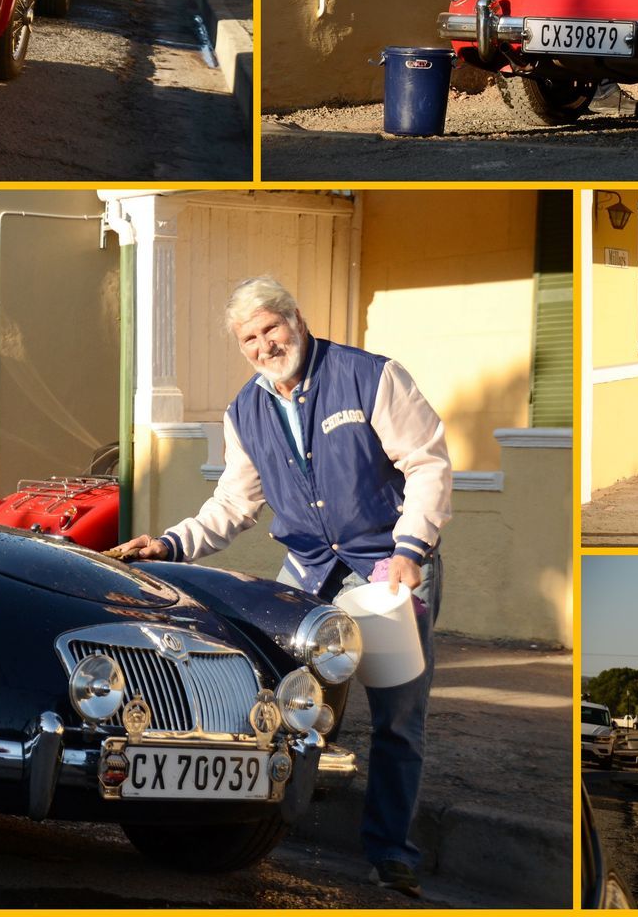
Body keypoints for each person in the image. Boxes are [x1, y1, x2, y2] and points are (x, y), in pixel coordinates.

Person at [113, 276, 451, 898]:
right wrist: (170, 543)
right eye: (250, 338)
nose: (265, 344)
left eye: (271, 328)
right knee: (280, 703)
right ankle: (262, 827)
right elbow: (234, 503)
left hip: (386, 563)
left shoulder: (370, 376)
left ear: (297, 318)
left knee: (398, 716)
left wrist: (410, 551)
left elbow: (428, 462)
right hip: (308, 570)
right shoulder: (245, 409)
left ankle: (390, 852)